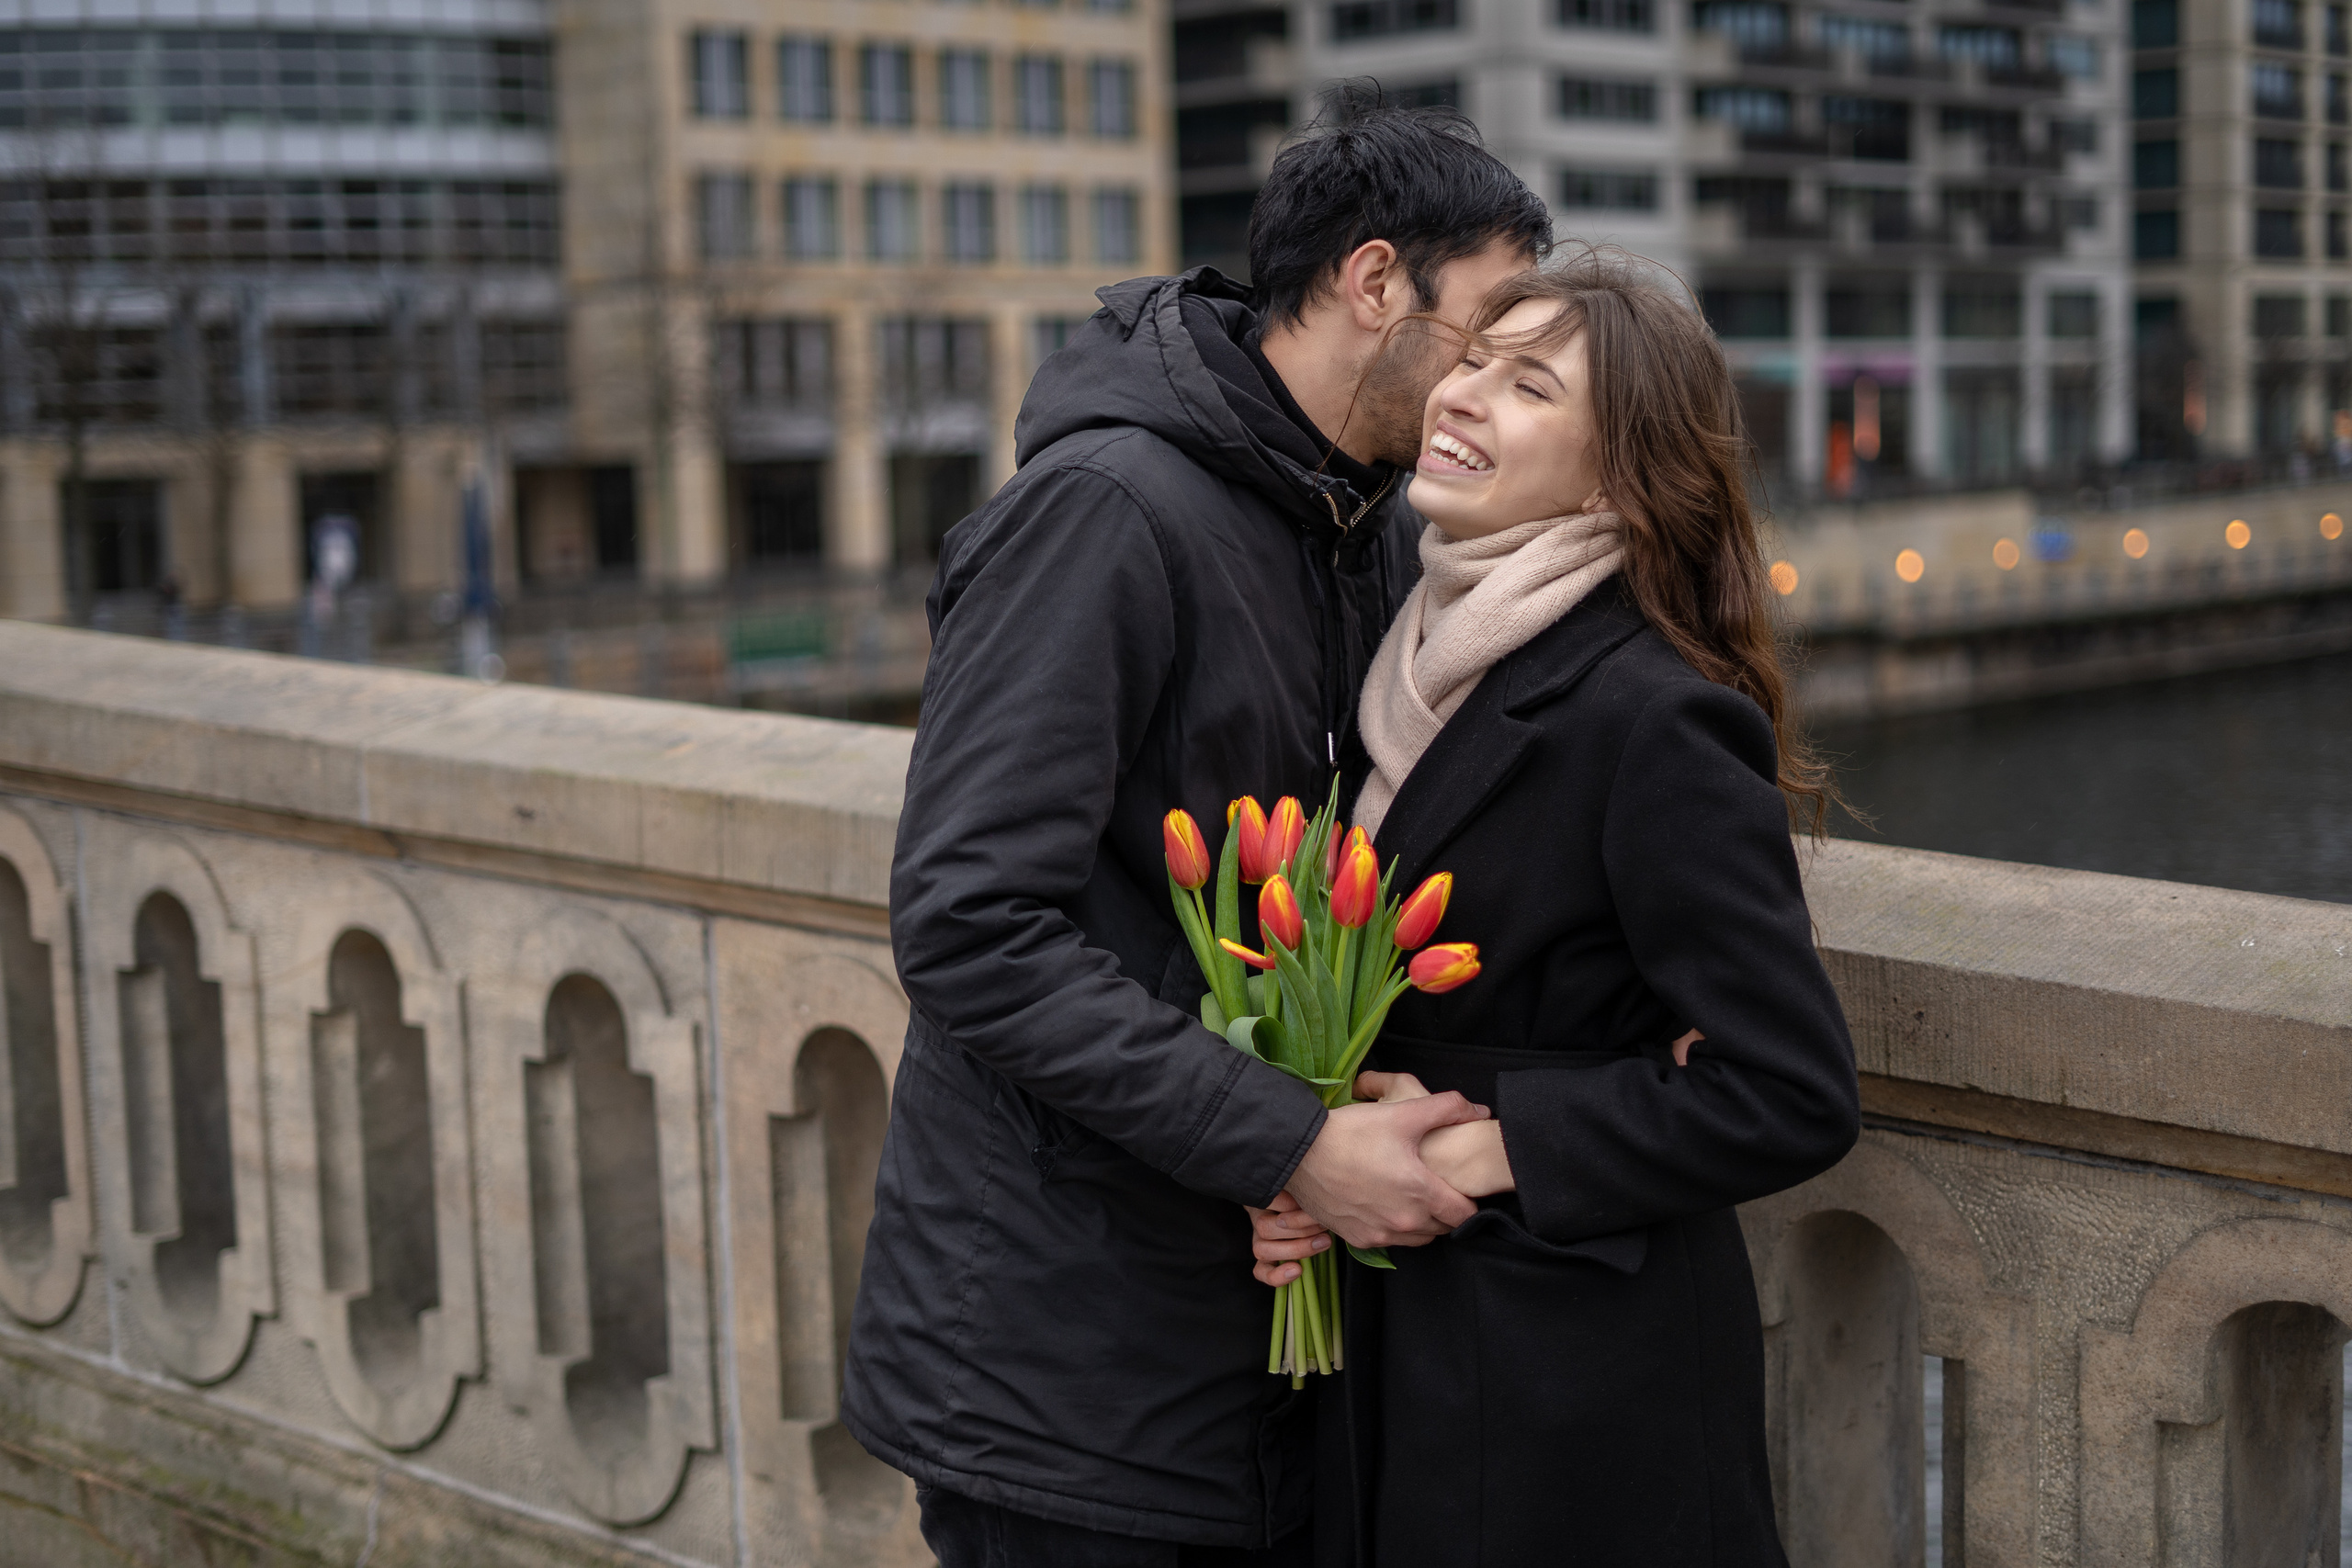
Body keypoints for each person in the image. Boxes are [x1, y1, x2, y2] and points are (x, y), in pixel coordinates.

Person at [842, 99, 1555, 1566]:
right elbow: (970, 924)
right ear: (1373, 284)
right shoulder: (1105, 513)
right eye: (1479, 327)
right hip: (1063, 1373)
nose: (1486, 377)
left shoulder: (1354, 522)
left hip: (1225, 1353)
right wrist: (1294, 1142)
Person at [1250, 252, 1863, 1565]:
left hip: (1570, 1376)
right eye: (1472, 361)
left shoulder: (1655, 715)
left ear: (1616, 473)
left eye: (1529, 387)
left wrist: (1482, 1148)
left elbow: (1791, 1089)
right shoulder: (1404, 652)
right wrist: (1311, 1156)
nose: (1462, 397)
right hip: (1399, 1332)